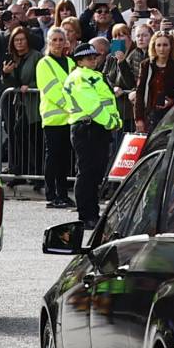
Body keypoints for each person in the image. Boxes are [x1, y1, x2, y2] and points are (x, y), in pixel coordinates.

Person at [63, 43, 123, 224]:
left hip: (96, 127)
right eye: (89, 58)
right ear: (79, 61)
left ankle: (92, 212)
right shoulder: (80, 76)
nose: (93, 60)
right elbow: (92, 105)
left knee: (94, 173)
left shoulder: (92, 75)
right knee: (88, 173)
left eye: (95, 57)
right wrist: (111, 121)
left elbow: (104, 102)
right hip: (88, 127)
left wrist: (112, 120)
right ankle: (87, 215)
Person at [36, 27, 77, 209]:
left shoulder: (69, 62)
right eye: (55, 40)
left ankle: (63, 193)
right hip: (54, 117)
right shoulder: (44, 63)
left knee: (63, 159)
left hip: (69, 118)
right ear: (48, 42)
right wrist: (70, 106)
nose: (58, 43)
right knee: (52, 158)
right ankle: (51, 194)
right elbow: (51, 90)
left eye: (61, 40)